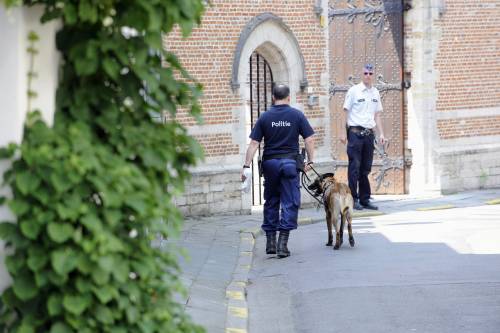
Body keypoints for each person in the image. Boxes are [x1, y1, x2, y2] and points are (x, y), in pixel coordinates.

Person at [241, 84, 315, 258]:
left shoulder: (265, 117)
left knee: (271, 201)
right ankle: (282, 244)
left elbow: (253, 143)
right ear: (289, 97)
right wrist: (311, 160)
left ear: (273, 97)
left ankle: (271, 242)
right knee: (290, 202)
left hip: (270, 164)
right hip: (290, 164)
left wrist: (246, 166)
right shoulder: (297, 115)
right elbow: (310, 139)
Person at [340, 64, 386, 210]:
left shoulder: (375, 93)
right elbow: (345, 112)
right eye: (365, 73)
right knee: (354, 167)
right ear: (362, 74)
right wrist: (342, 132)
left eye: (370, 73)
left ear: (373, 75)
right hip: (355, 134)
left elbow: (377, 115)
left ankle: (365, 199)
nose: (368, 75)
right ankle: (353, 199)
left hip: (368, 135)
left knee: (365, 168)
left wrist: (381, 133)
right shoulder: (354, 91)